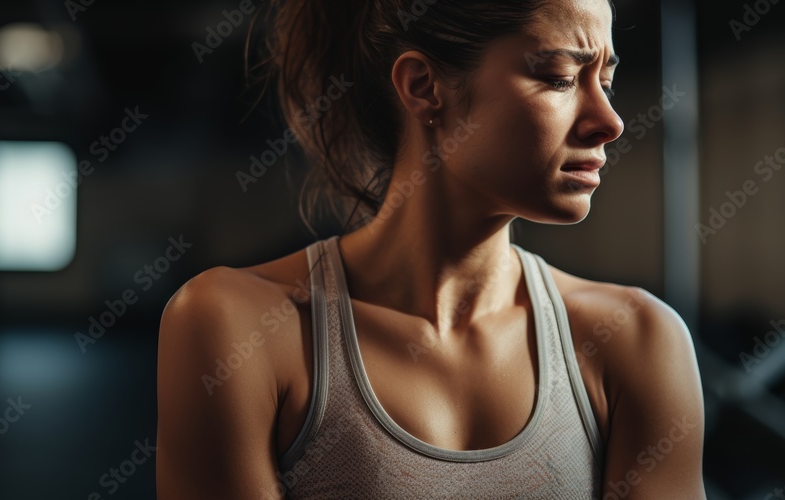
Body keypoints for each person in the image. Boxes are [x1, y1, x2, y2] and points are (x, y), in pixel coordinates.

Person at [156, 0, 706, 498]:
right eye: (561, 78)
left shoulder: (638, 342)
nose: (609, 121)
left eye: (605, 82)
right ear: (423, 86)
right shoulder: (234, 326)